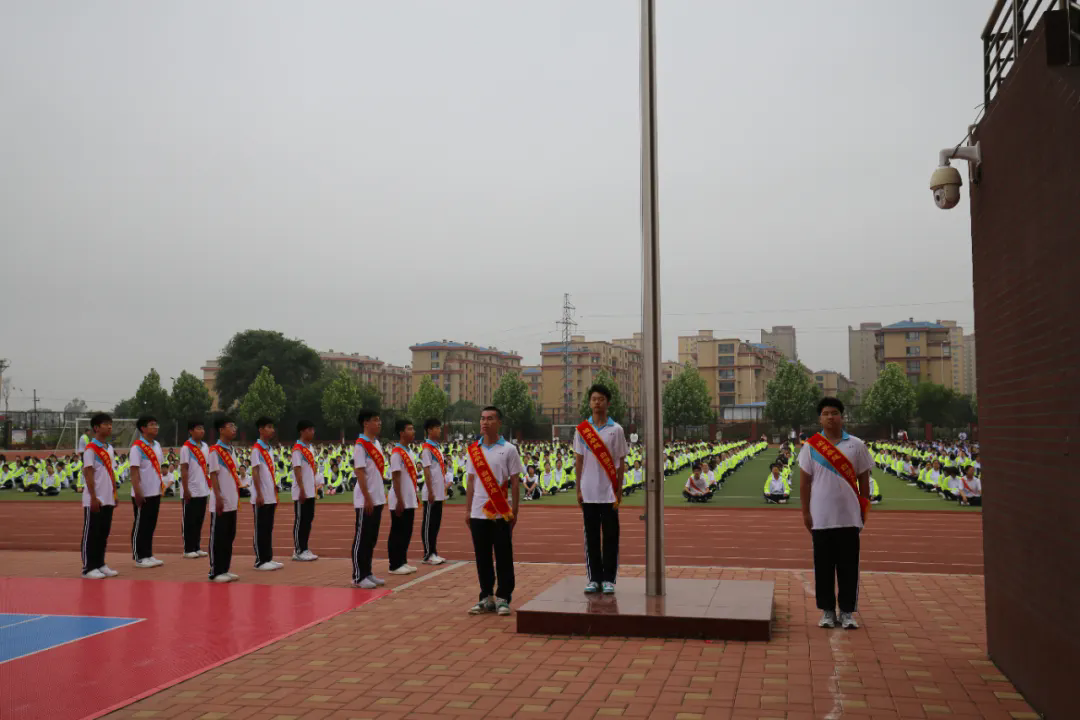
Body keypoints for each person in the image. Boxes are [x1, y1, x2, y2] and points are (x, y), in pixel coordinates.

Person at [799, 397, 873, 631]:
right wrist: (805, 513)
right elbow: (804, 483)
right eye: (825, 413)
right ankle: (828, 612)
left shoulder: (856, 445)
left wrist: (864, 508)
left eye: (834, 413)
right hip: (821, 517)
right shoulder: (811, 446)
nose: (830, 417)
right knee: (823, 567)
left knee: (849, 566)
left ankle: (848, 612)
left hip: (850, 516)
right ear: (820, 418)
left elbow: (864, 479)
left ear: (842, 416)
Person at [465, 406, 522, 616]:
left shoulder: (508, 449)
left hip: (501, 512)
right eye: (482, 418)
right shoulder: (474, 450)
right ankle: (486, 596)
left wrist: (514, 511)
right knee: (482, 557)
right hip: (478, 513)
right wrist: (467, 510)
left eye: (489, 419)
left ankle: (503, 597)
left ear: (499, 423)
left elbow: (515, 483)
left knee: (503, 556)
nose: (484, 422)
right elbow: (470, 482)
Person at [574, 384, 626, 595]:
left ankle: (608, 579)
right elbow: (579, 460)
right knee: (592, 536)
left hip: (609, 491)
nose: (597, 402)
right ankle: (594, 578)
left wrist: (619, 489)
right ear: (589, 402)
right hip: (588, 491)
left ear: (607, 403)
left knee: (611, 535)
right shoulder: (582, 430)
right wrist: (578, 488)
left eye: (601, 399)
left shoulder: (617, 430)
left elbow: (621, 462)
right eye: (594, 399)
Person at [80, 413, 118, 579]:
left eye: (110, 424)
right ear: (96, 428)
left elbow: (111, 472)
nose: (109, 427)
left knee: (103, 532)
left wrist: (114, 493)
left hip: (108, 497)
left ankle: (100, 564)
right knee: (92, 533)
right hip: (94, 498)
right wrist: (93, 497)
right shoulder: (90, 449)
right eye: (105, 424)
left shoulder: (109, 448)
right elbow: (88, 474)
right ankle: (88, 568)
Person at [352, 409, 387, 589]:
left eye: (379, 420)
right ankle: (358, 575)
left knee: (371, 537)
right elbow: (360, 471)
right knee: (362, 537)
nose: (379, 423)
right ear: (366, 423)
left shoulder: (377, 443)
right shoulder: (361, 445)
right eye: (375, 420)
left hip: (378, 497)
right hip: (365, 499)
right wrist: (367, 497)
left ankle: (368, 571)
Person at [129, 415, 165, 569]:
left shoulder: (156, 445)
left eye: (156, 424)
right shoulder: (137, 447)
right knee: (140, 524)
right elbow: (134, 471)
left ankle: (148, 554)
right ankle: (139, 556)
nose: (156, 427)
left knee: (150, 524)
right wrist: (138, 491)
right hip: (142, 492)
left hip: (155, 491)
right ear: (143, 428)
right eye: (152, 424)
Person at [208, 417, 241, 583]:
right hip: (220, 500)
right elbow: (213, 474)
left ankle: (225, 569)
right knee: (218, 536)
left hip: (232, 500)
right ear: (221, 430)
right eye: (230, 426)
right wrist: (218, 495)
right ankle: (215, 570)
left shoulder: (231, 450)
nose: (234, 428)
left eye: (234, 426)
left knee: (229, 536)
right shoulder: (215, 450)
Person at [386, 419, 420, 575]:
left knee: (407, 531)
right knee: (398, 531)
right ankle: (394, 564)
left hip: (409, 497)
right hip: (399, 498)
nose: (413, 432)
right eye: (410, 429)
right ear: (401, 433)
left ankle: (403, 561)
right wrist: (400, 499)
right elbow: (396, 477)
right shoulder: (396, 453)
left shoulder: (409, 451)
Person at [249, 417, 282, 571]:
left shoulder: (269, 448)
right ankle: (260, 561)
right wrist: (259, 493)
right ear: (261, 430)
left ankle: (268, 557)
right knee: (261, 527)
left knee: (268, 527)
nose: (272, 430)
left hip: (270, 494)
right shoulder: (257, 449)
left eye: (272, 427)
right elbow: (255, 472)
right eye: (268, 427)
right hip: (261, 495)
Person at [179, 420, 211, 558]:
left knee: (199, 519)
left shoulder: (205, 446)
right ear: (191, 431)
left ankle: (197, 546)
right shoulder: (186, 448)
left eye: (202, 428)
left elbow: (207, 467)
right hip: (190, 489)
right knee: (189, 520)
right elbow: (184, 469)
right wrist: (186, 489)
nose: (202, 431)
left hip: (203, 489)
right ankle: (188, 548)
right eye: (198, 428)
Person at [420, 418, 448, 565]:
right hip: (431, 493)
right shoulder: (427, 449)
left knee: (436, 523)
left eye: (439, 427)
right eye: (436, 427)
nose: (439, 430)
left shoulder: (437, 448)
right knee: (428, 523)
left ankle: (434, 551)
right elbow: (426, 471)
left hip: (438, 492)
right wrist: (430, 491)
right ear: (429, 430)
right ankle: (427, 554)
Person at [291, 420, 319, 562]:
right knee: (300, 520)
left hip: (310, 490)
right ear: (302, 431)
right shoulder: (298, 449)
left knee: (308, 520)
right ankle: (298, 550)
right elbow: (297, 470)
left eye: (313, 429)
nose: (312, 432)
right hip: (301, 491)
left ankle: (305, 548)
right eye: (309, 429)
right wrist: (301, 489)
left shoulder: (310, 448)